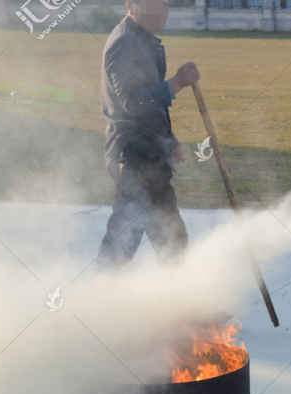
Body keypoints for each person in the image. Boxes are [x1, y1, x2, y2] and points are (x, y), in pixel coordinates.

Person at [98, 0, 201, 270]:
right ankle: (182, 305)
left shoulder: (141, 40)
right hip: (133, 156)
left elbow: (148, 104)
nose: (162, 10)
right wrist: (177, 83)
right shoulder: (124, 43)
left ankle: (97, 295)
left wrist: (171, 139)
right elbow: (132, 103)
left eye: (165, 3)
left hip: (143, 151)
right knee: (164, 234)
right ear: (131, 4)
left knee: (128, 234)